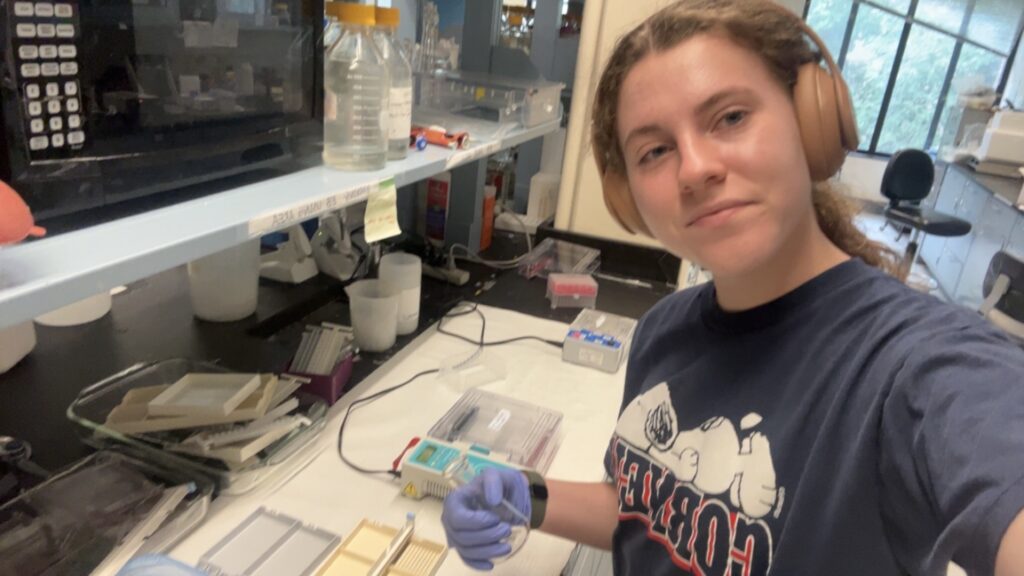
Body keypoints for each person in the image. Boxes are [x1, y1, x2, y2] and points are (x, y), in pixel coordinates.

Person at [440, 0, 1024, 574]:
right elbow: (649, 512)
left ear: (811, 123)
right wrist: (526, 495)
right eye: (655, 151)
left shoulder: (916, 365)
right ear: (630, 196)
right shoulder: (663, 331)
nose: (694, 169)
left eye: (731, 117)